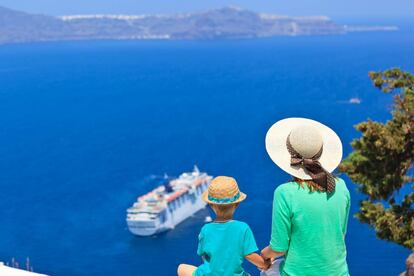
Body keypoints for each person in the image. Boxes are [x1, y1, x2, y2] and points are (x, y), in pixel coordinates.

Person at [261, 117, 350, 276]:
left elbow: (279, 248)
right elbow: (340, 234)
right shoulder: (340, 187)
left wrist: (264, 256)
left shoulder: (285, 193)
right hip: (339, 273)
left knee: (266, 271)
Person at [177, 176, 270, 276]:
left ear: (211, 205)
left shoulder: (205, 229)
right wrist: (265, 265)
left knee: (181, 268)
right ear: (237, 204)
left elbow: (204, 256)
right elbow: (250, 255)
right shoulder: (243, 228)